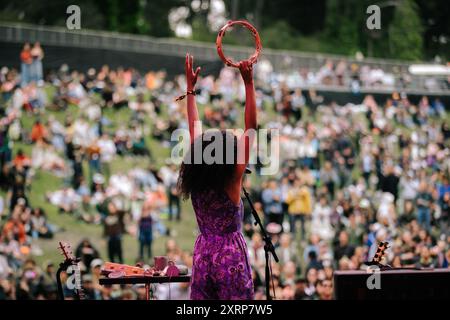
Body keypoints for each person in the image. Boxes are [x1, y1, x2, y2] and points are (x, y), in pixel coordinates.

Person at [177, 54, 256, 300]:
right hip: (230, 256)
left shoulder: (196, 175)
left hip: (203, 253)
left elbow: (193, 126)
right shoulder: (232, 179)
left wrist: (190, 90)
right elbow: (251, 127)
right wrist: (249, 84)